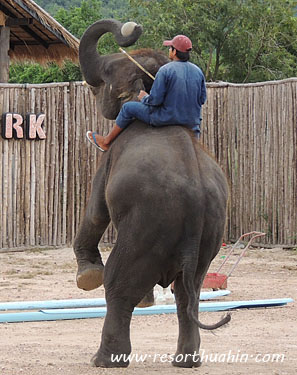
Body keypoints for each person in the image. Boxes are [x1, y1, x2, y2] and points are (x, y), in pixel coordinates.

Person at [86, 35, 207, 151]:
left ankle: (106, 142)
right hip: (192, 122)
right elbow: (202, 99)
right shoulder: (198, 71)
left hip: (166, 118)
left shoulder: (165, 70)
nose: (169, 50)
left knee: (128, 108)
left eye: (170, 48)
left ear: (174, 52)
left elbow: (155, 101)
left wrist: (144, 97)